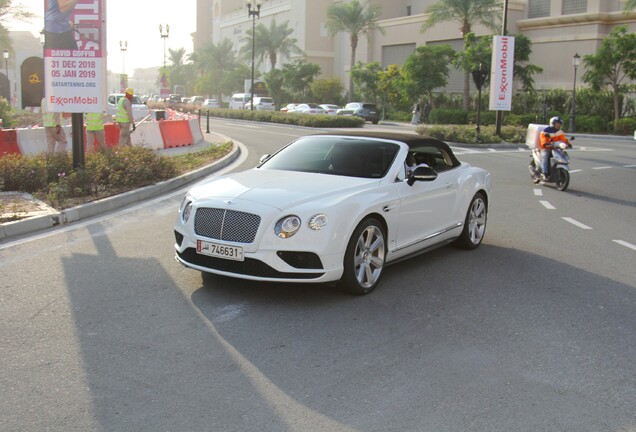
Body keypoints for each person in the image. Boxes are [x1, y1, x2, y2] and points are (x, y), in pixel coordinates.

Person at [539, 116, 570, 180]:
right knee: (545, 156)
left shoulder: (560, 132)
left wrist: (568, 144)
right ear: (552, 123)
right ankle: (544, 173)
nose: (558, 125)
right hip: (546, 148)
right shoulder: (545, 131)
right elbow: (543, 139)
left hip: (555, 148)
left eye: (559, 124)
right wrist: (545, 143)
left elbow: (563, 139)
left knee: (562, 154)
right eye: (557, 123)